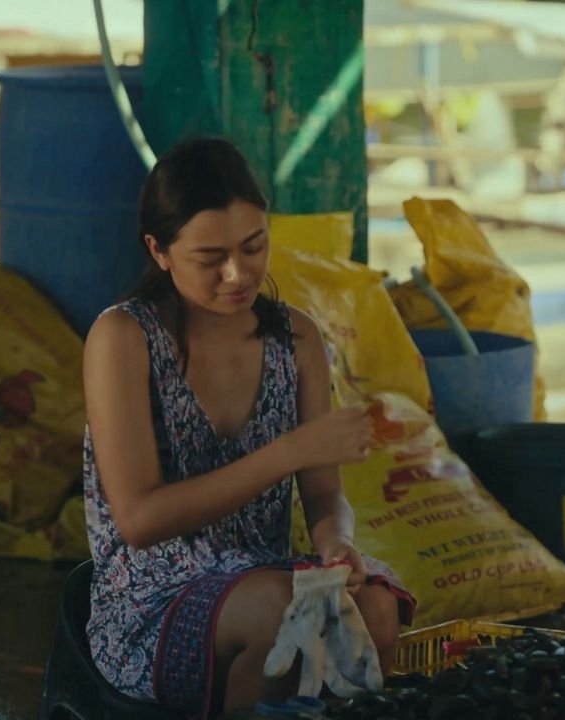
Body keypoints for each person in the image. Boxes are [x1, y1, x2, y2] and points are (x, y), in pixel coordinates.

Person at [81, 137, 415, 717]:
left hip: (261, 574)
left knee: (376, 608)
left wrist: (336, 543)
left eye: (254, 246)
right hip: (150, 599)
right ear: (159, 251)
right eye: (210, 258)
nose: (237, 274)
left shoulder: (296, 338)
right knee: (282, 611)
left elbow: (323, 493)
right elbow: (139, 520)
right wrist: (288, 452)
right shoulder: (123, 338)